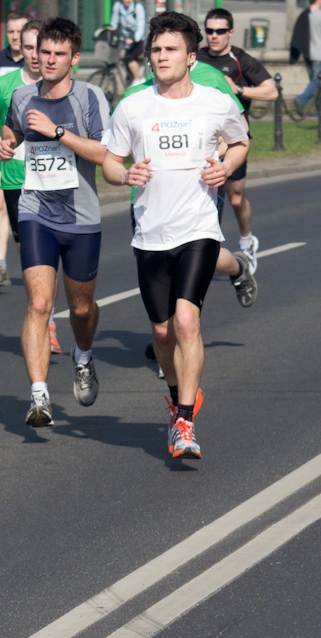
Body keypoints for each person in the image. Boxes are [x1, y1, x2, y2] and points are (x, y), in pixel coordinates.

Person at [103, 13, 249, 459]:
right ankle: (175, 397)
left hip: (199, 227)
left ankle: (185, 420)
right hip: (150, 233)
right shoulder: (133, 106)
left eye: (170, 50)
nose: (160, 57)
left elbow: (240, 142)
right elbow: (109, 163)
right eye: (156, 50)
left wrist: (226, 165)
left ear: (190, 57)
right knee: (162, 334)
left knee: (187, 321)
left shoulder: (215, 101)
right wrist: (125, 174)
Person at [0, 18, 110, 428]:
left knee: (80, 309)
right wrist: (3, 142)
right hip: (37, 211)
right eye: (44, 52)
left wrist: (57, 131)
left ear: (74, 59)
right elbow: (13, 133)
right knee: (39, 303)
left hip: (81, 217)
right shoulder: (23, 95)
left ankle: (83, 356)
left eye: (59, 54)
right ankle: (39, 395)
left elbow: (103, 152)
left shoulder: (90, 96)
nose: (49, 60)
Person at [0, 19, 65, 354]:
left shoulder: (64, 85)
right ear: (21, 49)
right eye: (28, 48)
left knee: (54, 256)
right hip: (17, 182)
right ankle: (47, 318)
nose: (35, 55)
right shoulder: (4, 86)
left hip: (57, 180)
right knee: (31, 257)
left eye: (39, 48)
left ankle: (47, 315)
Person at [196, 8, 277, 275]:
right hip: (203, 139)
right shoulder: (197, 57)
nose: (214, 36)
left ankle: (246, 241)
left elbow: (271, 91)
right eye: (209, 31)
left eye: (220, 31)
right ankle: (207, 253)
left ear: (230, 32)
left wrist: (239, 89)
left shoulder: (240, 59)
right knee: (208, 196)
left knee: (235, 197)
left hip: (233, 140)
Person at [0, 11, 30, 288]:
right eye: (10, 31)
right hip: (2, 145)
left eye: (19, 31)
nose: (14, 36)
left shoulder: (38, 62)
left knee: (25, 208)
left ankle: (32, 263)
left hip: (29, 149)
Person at [291, 0, 321, 115]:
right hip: (319, 55)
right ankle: (301, 100)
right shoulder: (318, 15)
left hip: (309, 54)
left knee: (315, 83)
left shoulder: (306, 15)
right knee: (317, 82)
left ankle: (318, 110)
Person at [109, 0, 148, 84]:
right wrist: (110, 32)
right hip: (126, 39)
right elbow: (114, 22)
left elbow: (141, 27)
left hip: (139, 39)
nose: (128, 1)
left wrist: (134, 39)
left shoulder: (137, 7)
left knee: (129, 57)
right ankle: (131, 79)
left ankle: (138, 80)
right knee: (122, 57)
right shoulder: (118, 6)